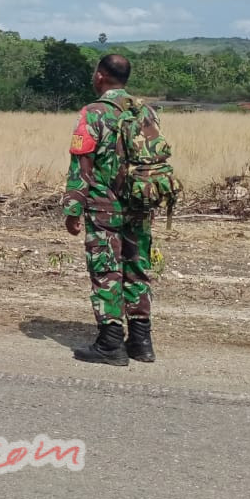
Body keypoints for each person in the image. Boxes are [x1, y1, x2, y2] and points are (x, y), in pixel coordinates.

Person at [63, 54, 155, 366]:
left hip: (105, 207)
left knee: (106, 270)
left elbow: (81, 164)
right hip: (141, 203)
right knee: (137, 268)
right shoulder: (145, 111)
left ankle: (110, 342)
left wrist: (73, 207)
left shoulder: (93, 113)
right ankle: (141, 342)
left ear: (100, 76)